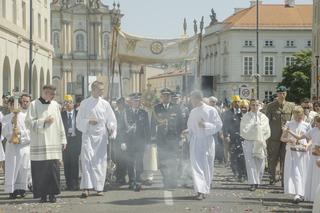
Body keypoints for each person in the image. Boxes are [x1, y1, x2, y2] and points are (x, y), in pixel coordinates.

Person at [25, 85, 67, 203]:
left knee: (53, 170)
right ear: (45, 92)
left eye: (54, 94)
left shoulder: (55, 105)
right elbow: (28, 123)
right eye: (52, 94)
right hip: (39, 143)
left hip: (53, 142)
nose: (53, 96)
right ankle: (42, 195)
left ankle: (52, 194)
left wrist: (63, 139)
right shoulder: (33, 104)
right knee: (40, 171)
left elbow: (59, 123)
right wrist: (44, 121)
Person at [76, 81, 117, 198]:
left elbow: (111, 119)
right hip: (88, 136)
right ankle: (86, 187)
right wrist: (88, 121)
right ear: (93, 90)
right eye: (100, 89)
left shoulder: (105, 104)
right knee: (86, 161)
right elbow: (78, 121)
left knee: (100, 162)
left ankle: (99, 187)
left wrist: (111, 127)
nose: (102, 91)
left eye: (103, 89)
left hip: (101, 137)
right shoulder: (84, 103)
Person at [186, 90, 222, 200]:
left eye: (192, 99)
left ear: (197, 98)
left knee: (206, 165)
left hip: (207, 141)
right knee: (196, 166)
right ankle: (199, 190)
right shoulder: (193, 112)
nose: (191, 101)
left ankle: (205, 189)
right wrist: (187, 131)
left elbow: (218, 125)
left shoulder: (211, 110)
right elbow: (191, 127)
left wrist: (205, 125)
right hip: (196, 141)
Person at [151, 88, 183, 189]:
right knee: (163, 161)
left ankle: (173, 181)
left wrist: (179, 136)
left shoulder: (176, 108)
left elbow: (181, 123)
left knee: (173, 160)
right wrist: (153, 138)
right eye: (164, 95)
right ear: (161, 97)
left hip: (173, 139)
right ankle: (166, 179)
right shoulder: (156, 108)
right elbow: (153, 123)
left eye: (168, 95)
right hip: (161, 139)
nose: (166, 97)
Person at [286, 115, 320, 202]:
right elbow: (299, 137)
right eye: (317, 122)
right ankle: (312, 196)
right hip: (314, 156)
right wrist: (289, 131)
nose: (317, 124)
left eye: (319, 122)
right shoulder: (313, 130)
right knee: (313, 176)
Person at [265, 85, 295, 185]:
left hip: (286, 137)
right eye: (280, 93)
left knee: (285, 158)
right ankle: (272, 177)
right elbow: (266, 122)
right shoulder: (271, 106)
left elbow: (293, 121)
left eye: (283, 93)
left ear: (286, 94)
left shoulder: (291, 106)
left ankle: (284, 180)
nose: (282, 95)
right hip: (274, 137)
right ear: (277, 94)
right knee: (273, 158)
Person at [2, 97, 31, 199]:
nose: (14, 107)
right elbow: (4, 131)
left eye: (16, 105)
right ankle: (12, 190)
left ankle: (22, 189)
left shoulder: (26, 116)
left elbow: (29, 131)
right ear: (9, 106)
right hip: (12, 147)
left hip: (23, 146)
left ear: (19, 105)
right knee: (12, 168)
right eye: (12, 105)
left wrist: (20, 134)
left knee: (23, 168)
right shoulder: (6, 118)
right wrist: (12, 133)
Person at [281, 106, 311, 203]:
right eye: (296, 116)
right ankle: (298, 193)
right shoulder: (289, 124)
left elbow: (310, 138)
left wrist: (307, 145)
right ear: (293, 115)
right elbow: (282, 138)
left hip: (303, 152)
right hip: (292, 151)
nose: (299, 118)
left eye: (300, 116)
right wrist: (288, 139)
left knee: (303, 172)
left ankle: (302, 193)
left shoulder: (306, 125)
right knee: (295, 172)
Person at [240, 99, 271, 191]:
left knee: (260, 163)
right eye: (253, 105)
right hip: (249, 141)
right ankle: (253, 182)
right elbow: (244, 130)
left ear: (259, 106)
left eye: (256, 105)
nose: (255, 107)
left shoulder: (264, 117)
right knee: (250, 163)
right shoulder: (246, 117)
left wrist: (259, 129)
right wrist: (254, 128)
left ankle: (258, 180)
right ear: (250, 106)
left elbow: (267, 130)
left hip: (260, 141)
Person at [124, 93, 149, 191]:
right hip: (129, 142)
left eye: (138, 101)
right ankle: (131, 181)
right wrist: (123, 141)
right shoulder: (126, 113)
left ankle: (138, 181)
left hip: (140, 142)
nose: (136, 103)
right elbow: (122, 128)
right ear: (131, 102)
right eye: (134, 101)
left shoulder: (144, 113)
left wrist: (148, 142)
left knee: (139, 162)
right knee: (130, 162)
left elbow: (147, 128)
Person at [223, 95, 246, 182]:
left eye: (238, 102)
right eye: (235, 102)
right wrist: (226, 135)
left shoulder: (243, 112)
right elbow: (225, 126)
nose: (237, 103)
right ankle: (235, 172)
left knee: (241, 156)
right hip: (232, 137)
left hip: (242, 137)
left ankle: (242, 174)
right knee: (233, 156)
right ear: (232, 103)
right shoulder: (227, 113)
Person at [61, 95, 82, 191]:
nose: (68, 104)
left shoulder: (78, 114)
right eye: (66, 102)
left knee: (75, 163)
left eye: (70, 102)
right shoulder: (62, 115)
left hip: (75, 140)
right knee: (67, 163)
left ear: (73, 104)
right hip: (66, 141)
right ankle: (68, 183)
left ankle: (75, 183)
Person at [113, 97, 128, 185]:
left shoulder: (126, 113)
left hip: (125, 140)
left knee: (124, 160)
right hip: (116, 140)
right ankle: (119, 177)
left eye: (122, 104)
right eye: (119, 104)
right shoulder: (114, 113)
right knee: (117, 159)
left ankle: (123, 177)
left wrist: (125, 140)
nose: (120, 105)